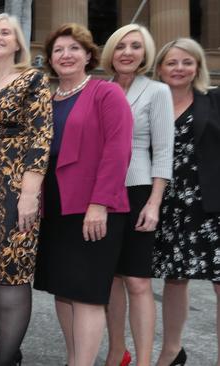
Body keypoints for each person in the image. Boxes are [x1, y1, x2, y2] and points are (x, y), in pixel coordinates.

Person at [33, 23, 133, 366]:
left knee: (87, 295)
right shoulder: (46, 99)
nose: (66, 55)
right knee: (63, 291)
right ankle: (75, 359)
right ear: (49, 59)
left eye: (73, 48)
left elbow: (118, 151)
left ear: (88, 55)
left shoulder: (107, 93)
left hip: (94, 207)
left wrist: (99, 204)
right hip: (56, 206)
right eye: (58, 50)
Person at [0, 13, 52, 366]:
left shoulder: (33, 79)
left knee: (13, 277)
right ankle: (10, 356)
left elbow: (41, 136)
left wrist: (30, 195)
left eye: (6, 32)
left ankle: (3, 362)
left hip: (16, 192)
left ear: (19, 43)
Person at [100, 24, 175, 366]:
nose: (127, 52)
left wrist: (154, 203)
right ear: (110, 53)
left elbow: (163, 151)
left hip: (139, 190)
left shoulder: (157, 91)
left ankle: (144, 361)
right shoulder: (100, 89)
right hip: (102, 192)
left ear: (145, 53)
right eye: (120, 46)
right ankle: (118, 352)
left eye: (135, 46)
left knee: (138, 281)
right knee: (110, 278)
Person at [152, 38, 220, 366]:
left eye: (186, 62)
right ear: (160, 68)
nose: (179, 69)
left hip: (212, 204)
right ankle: (171, 350)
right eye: (172, 62)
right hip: (168, 203)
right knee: (174, 278)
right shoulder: (152, 101)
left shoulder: (215, 100)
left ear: (197, 68)